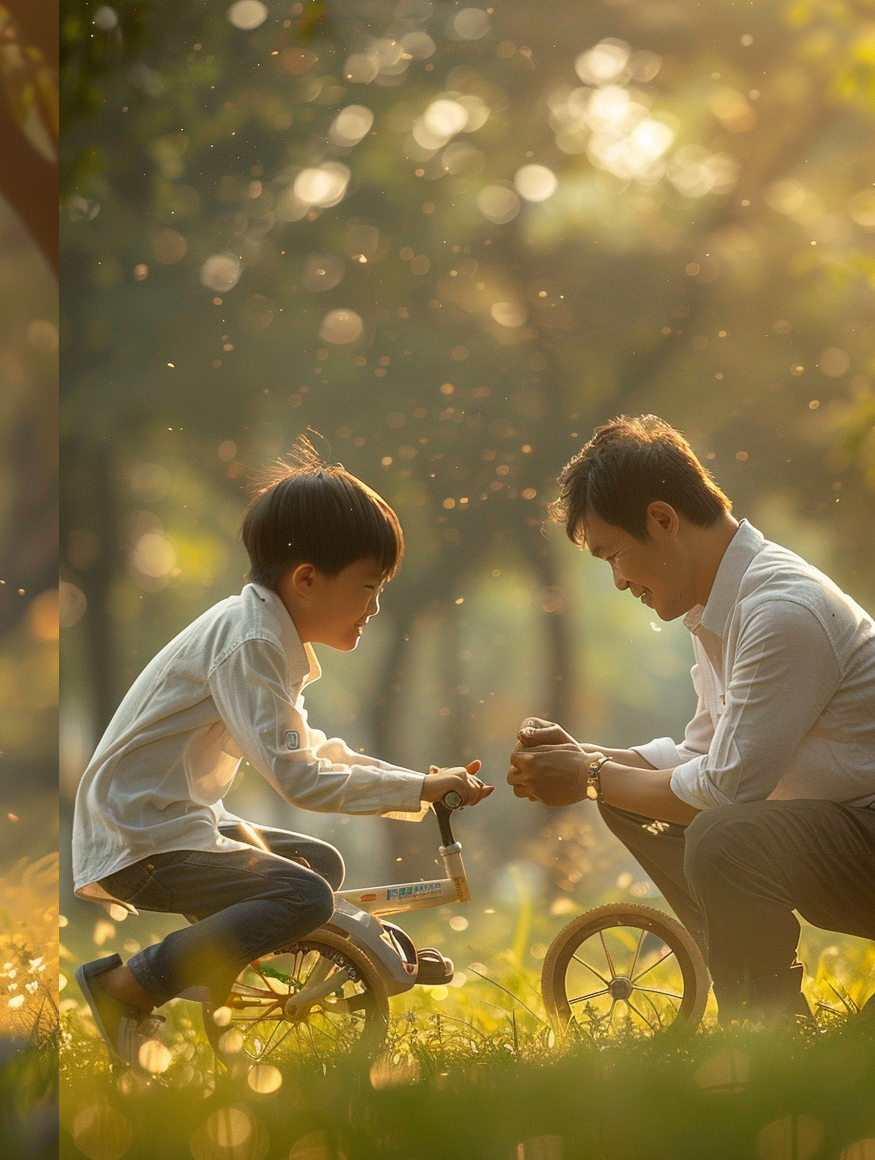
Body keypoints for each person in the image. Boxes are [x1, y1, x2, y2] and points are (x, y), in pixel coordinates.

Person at [70, 459, 493, 1064]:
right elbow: (298, 777)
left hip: (169, 819)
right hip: (141, 836)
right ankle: (124, 987)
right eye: (368, 586)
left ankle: (226, 966)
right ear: (306, 579)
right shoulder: (253, 643)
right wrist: (418, 790)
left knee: (316, 863)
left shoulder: (260, 632)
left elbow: (307, 748)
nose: (374, 607)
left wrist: (420, 784)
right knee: (305, 897)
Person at [509, 413, 875, 1022]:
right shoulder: (717, 609)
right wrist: (587, 761)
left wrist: (589, 775)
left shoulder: (780, 610)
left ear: (662, 520)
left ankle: (767, 1026)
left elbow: (725, 790)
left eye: (615, 556)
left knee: (720, 834)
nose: (620, 580)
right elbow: (703, 756)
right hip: (849, 831)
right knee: (640, 799)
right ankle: (755, 996)